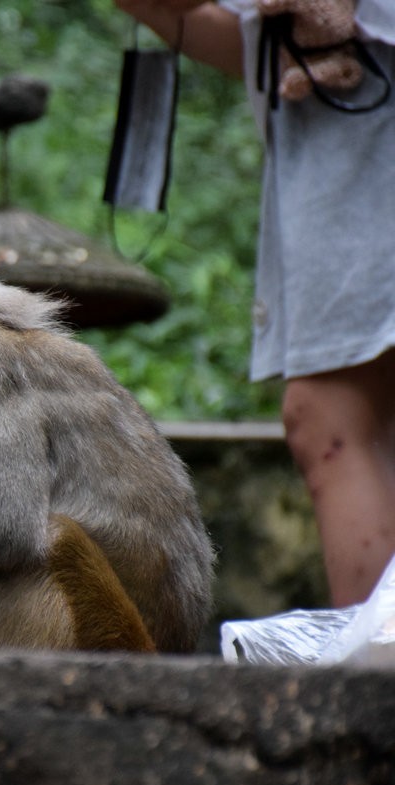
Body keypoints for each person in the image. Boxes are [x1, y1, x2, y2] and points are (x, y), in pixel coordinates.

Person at [114, 0, 395, 607]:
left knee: (332, 415)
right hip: (333, 103)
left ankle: (376, 682)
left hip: (366, 104)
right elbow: (247, 39)